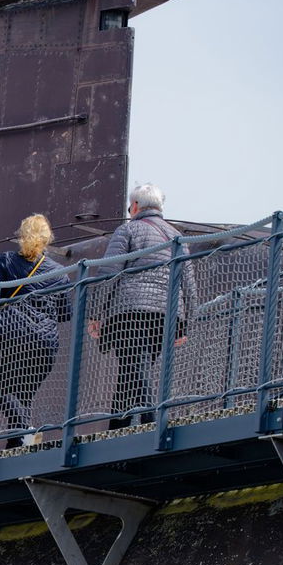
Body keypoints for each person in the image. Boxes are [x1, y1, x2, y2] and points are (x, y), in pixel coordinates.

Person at [86, 183, 199, 429]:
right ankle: (117, 425)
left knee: (135, 366)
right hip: (167, 314)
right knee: (133, 367)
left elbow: (109, 272)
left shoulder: (128, 230)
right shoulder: (177, 238)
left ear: (135, 206)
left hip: (131, 311)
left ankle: (151, 421)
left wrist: (95, 314)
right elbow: (188, 283)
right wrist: (186, 324)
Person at [0, 214, 70, 447]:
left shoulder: (7, 260)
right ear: (47, 239)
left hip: (10, 335)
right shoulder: (59, 272)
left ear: (22, 235)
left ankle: (25, 430)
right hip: (44, 342)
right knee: (24, 392)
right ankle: (17, 442)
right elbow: (65, 313)